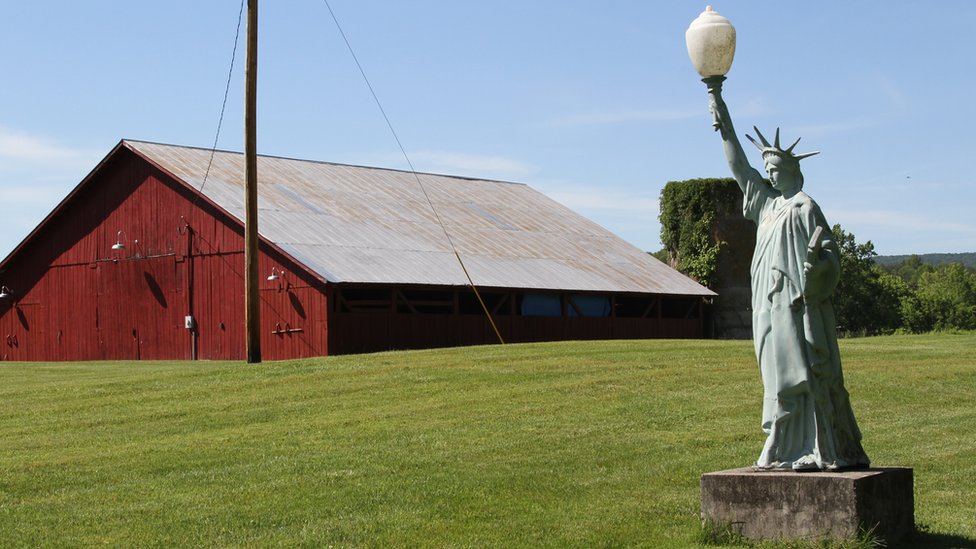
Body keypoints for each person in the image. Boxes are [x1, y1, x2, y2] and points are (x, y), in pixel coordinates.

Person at [705, 77, 870, 471]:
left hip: (796, 303)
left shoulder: (804, 207)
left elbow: (830, 256)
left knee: (801, 371)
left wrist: (817, 273)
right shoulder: (766, 204)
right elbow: (737, 165)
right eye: (767, 169)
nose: (770, 174)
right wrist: (719, 106)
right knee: (774, 374)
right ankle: (784, 443)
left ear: (794, 169)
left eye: (775, 168)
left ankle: (813, 446)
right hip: (766, 301)